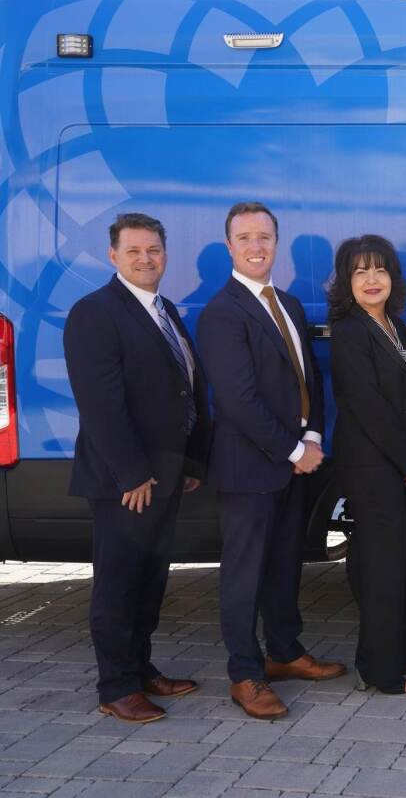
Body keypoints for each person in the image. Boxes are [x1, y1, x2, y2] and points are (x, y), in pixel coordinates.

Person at [197, 202, 345, 720]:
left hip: (293, 462)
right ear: (230, 246)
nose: (256, 246)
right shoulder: (222, 312)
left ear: (275, 243)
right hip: (250, 468)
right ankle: (245, 674)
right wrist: (292, 449)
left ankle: (284, 653)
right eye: (245, 238)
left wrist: (313, 435)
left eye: (265, 237)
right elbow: (238, 400)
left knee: (284, 566)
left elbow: (309, 383)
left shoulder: (288, 304)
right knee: (245, 574)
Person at [64, 213, 211, 723]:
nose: (146, 259)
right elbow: (100, 403)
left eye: (153, 250)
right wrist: (131, 473)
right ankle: (116, 687)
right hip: (126, 481)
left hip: (167, 474)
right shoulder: (95, 313)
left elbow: (184, 390)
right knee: (119, 583)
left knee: (151, 581)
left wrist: (190, 461)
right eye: (134, 251)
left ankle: (143, 669)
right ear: (113, 256)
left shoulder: (164, 309)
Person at [328, 235, 406, 696]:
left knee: (386, 564)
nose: (371, 280)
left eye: (380, 270)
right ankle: (381, 672)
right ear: (347, 281)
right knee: (383, 568)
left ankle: (383, 654)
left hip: (391, 464)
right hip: (372, 466)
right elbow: (367, 405)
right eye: (360, 271)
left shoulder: (394, 325)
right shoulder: (349, 330)